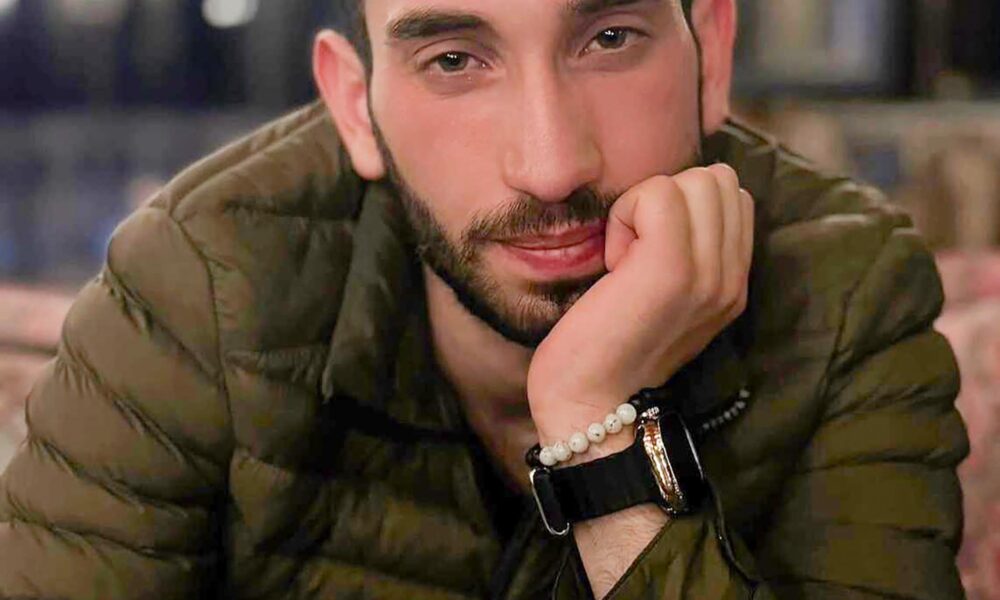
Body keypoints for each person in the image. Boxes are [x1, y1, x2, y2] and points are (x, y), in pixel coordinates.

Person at [0, 0, 969, 598]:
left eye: (610, 37)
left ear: (711, 55)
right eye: (454, 59)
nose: (550, 166)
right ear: (354, 106)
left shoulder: (849, 288)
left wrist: (597, 429)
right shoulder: (198, 279)